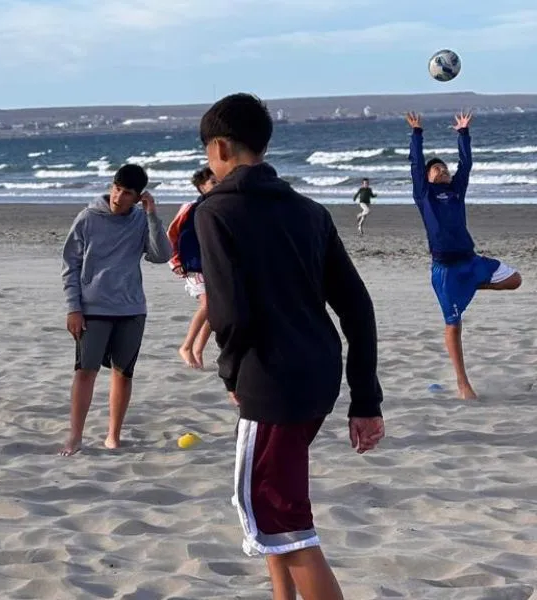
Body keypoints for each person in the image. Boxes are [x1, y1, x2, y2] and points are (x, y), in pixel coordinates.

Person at [196, 93, 384, 599]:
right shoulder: (309, 211)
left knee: (284, 523)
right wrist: (365, 399)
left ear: (218, 148)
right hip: (318, 377)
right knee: (270, 521)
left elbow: (228, 312)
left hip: (270, 382)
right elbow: (358, 309)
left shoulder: (215, 211)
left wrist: (231, 374)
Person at [406, 111, 522, 400]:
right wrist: (417, 133)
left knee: (515, 279)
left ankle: (473, 285)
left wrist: (463, 133)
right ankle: (462, 384)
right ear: (428, 177)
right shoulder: (424, 195)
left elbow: (466, 165)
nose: (442, 170)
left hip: (471, 261)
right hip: (445, 270)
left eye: (444, 167)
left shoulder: (456, 191)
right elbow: (416, 164)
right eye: (436, 169)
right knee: (453, 325)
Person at [59, 164, 172, 456]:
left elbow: (161, 255)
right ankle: (75, 436)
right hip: (92, 308)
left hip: (131, 309)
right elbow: (69, 265)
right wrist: (74, 308)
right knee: (86, 371)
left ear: (138, 198)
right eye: (116, 188)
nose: (118, 197)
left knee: (123, 373)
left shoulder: (139, 220)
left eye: (127, 194)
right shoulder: (87, 218)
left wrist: (151, 215)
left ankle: (113, 436)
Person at [168, 167, 219, 368]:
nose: (218, 185)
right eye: (213, 182)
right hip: (192, 266)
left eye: (219, 182)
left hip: (212, 267)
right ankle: (187, 347)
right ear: (201, 186)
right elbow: (173, 235)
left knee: (216, 310)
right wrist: (176, 261)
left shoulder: (220, 208)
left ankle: (198, 350)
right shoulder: (190, 208)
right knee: (207, 305)